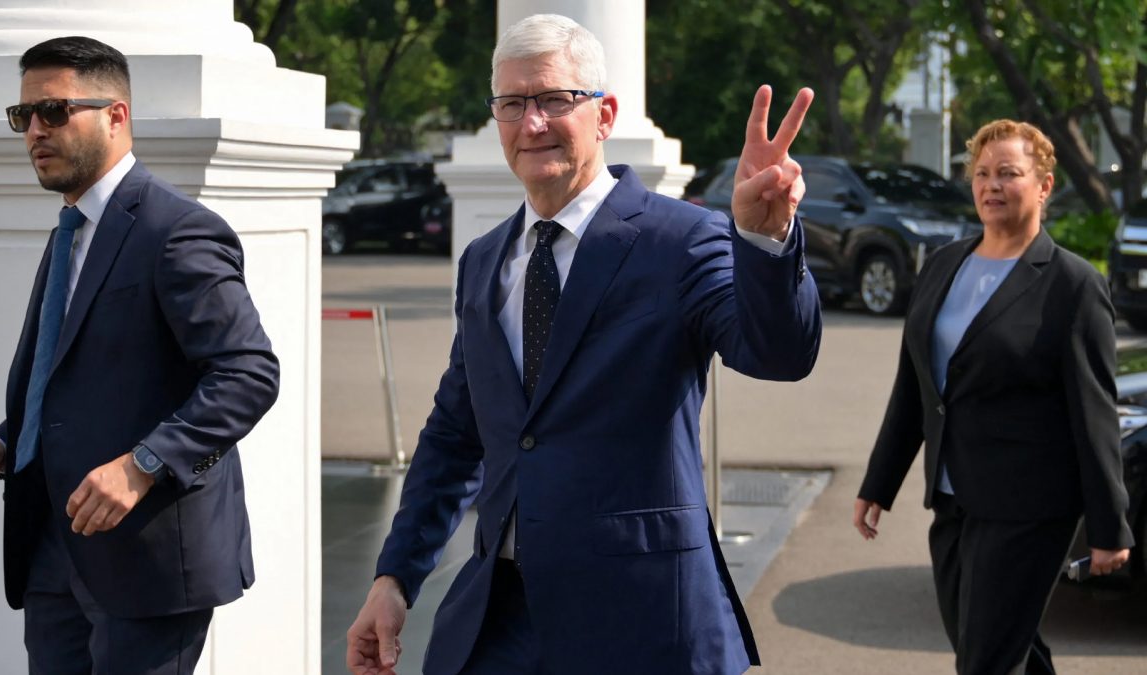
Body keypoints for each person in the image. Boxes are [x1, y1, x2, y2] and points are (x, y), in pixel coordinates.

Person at [347, 13, 821, 675]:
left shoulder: (680, 241)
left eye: (553, 99)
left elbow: (779, 354)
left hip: (641, 623)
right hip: (500, 624)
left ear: (604, 114)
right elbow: (457, 434)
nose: (531, 122)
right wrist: (394, 578)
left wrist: (765, 245)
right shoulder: (484, 261)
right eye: (512, 103)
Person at [0, 36, 279, 674]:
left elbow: (248, 374)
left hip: (150, 561)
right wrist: (5, 437)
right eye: (24, 117)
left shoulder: (177, 229)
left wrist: (145, 464)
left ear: (116, 115)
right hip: (53, 544)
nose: (34, 132)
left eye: (54, 111)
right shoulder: (69, 230)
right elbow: (79, 370)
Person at [854, 119, 1133, 674]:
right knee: (1003, 650)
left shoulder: (1072, 285)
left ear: (1044, 185)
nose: (991, 185)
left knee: (985, 661)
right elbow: (915, 388)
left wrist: (1109, 526)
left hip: (1030, 508)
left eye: (1009, 173)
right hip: (953, 501)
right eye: (981, 174)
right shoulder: (942, 266)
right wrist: (879, 483)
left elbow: (1094, 412)